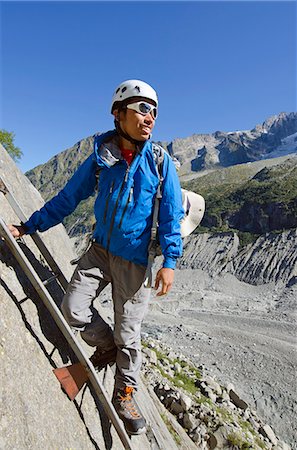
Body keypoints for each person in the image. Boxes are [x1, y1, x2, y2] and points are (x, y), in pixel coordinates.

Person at [9, 79, 184, 435]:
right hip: (99, 251)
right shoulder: (102, 159)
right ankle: (107, 348)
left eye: (154, 111)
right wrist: (29, 226)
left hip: (135, 263)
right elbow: (67, 198)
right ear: (119, 114)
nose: (150, 117)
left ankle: (125, 390)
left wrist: (170, 262)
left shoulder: (160, 163)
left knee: (129, 331)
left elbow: (170, 216)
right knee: (73, 309)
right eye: (142, 109)